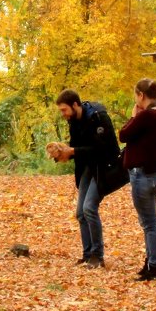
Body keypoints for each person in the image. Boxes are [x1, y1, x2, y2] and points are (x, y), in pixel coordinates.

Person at [54, 89, 122, 269]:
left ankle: (97, 257)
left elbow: (103, 150)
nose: (63, 114)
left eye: (64, 110)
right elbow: (77, 148)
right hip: (87, 168)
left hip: (104, 168)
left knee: (89, 208)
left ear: (75, 105)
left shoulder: (98, 118)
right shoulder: (73, 121)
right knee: (80, 213)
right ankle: (87, 254)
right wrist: (63, 153)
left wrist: (73, 151)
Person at [119, 78, 156, 281]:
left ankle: (154, 267)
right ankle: (150, 261)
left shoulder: (145, 118)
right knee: (149, 222)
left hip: (143, 175)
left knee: (149, 224)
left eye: (136, 96)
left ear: (141, 95)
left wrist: (134, 117)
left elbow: (123, 135)